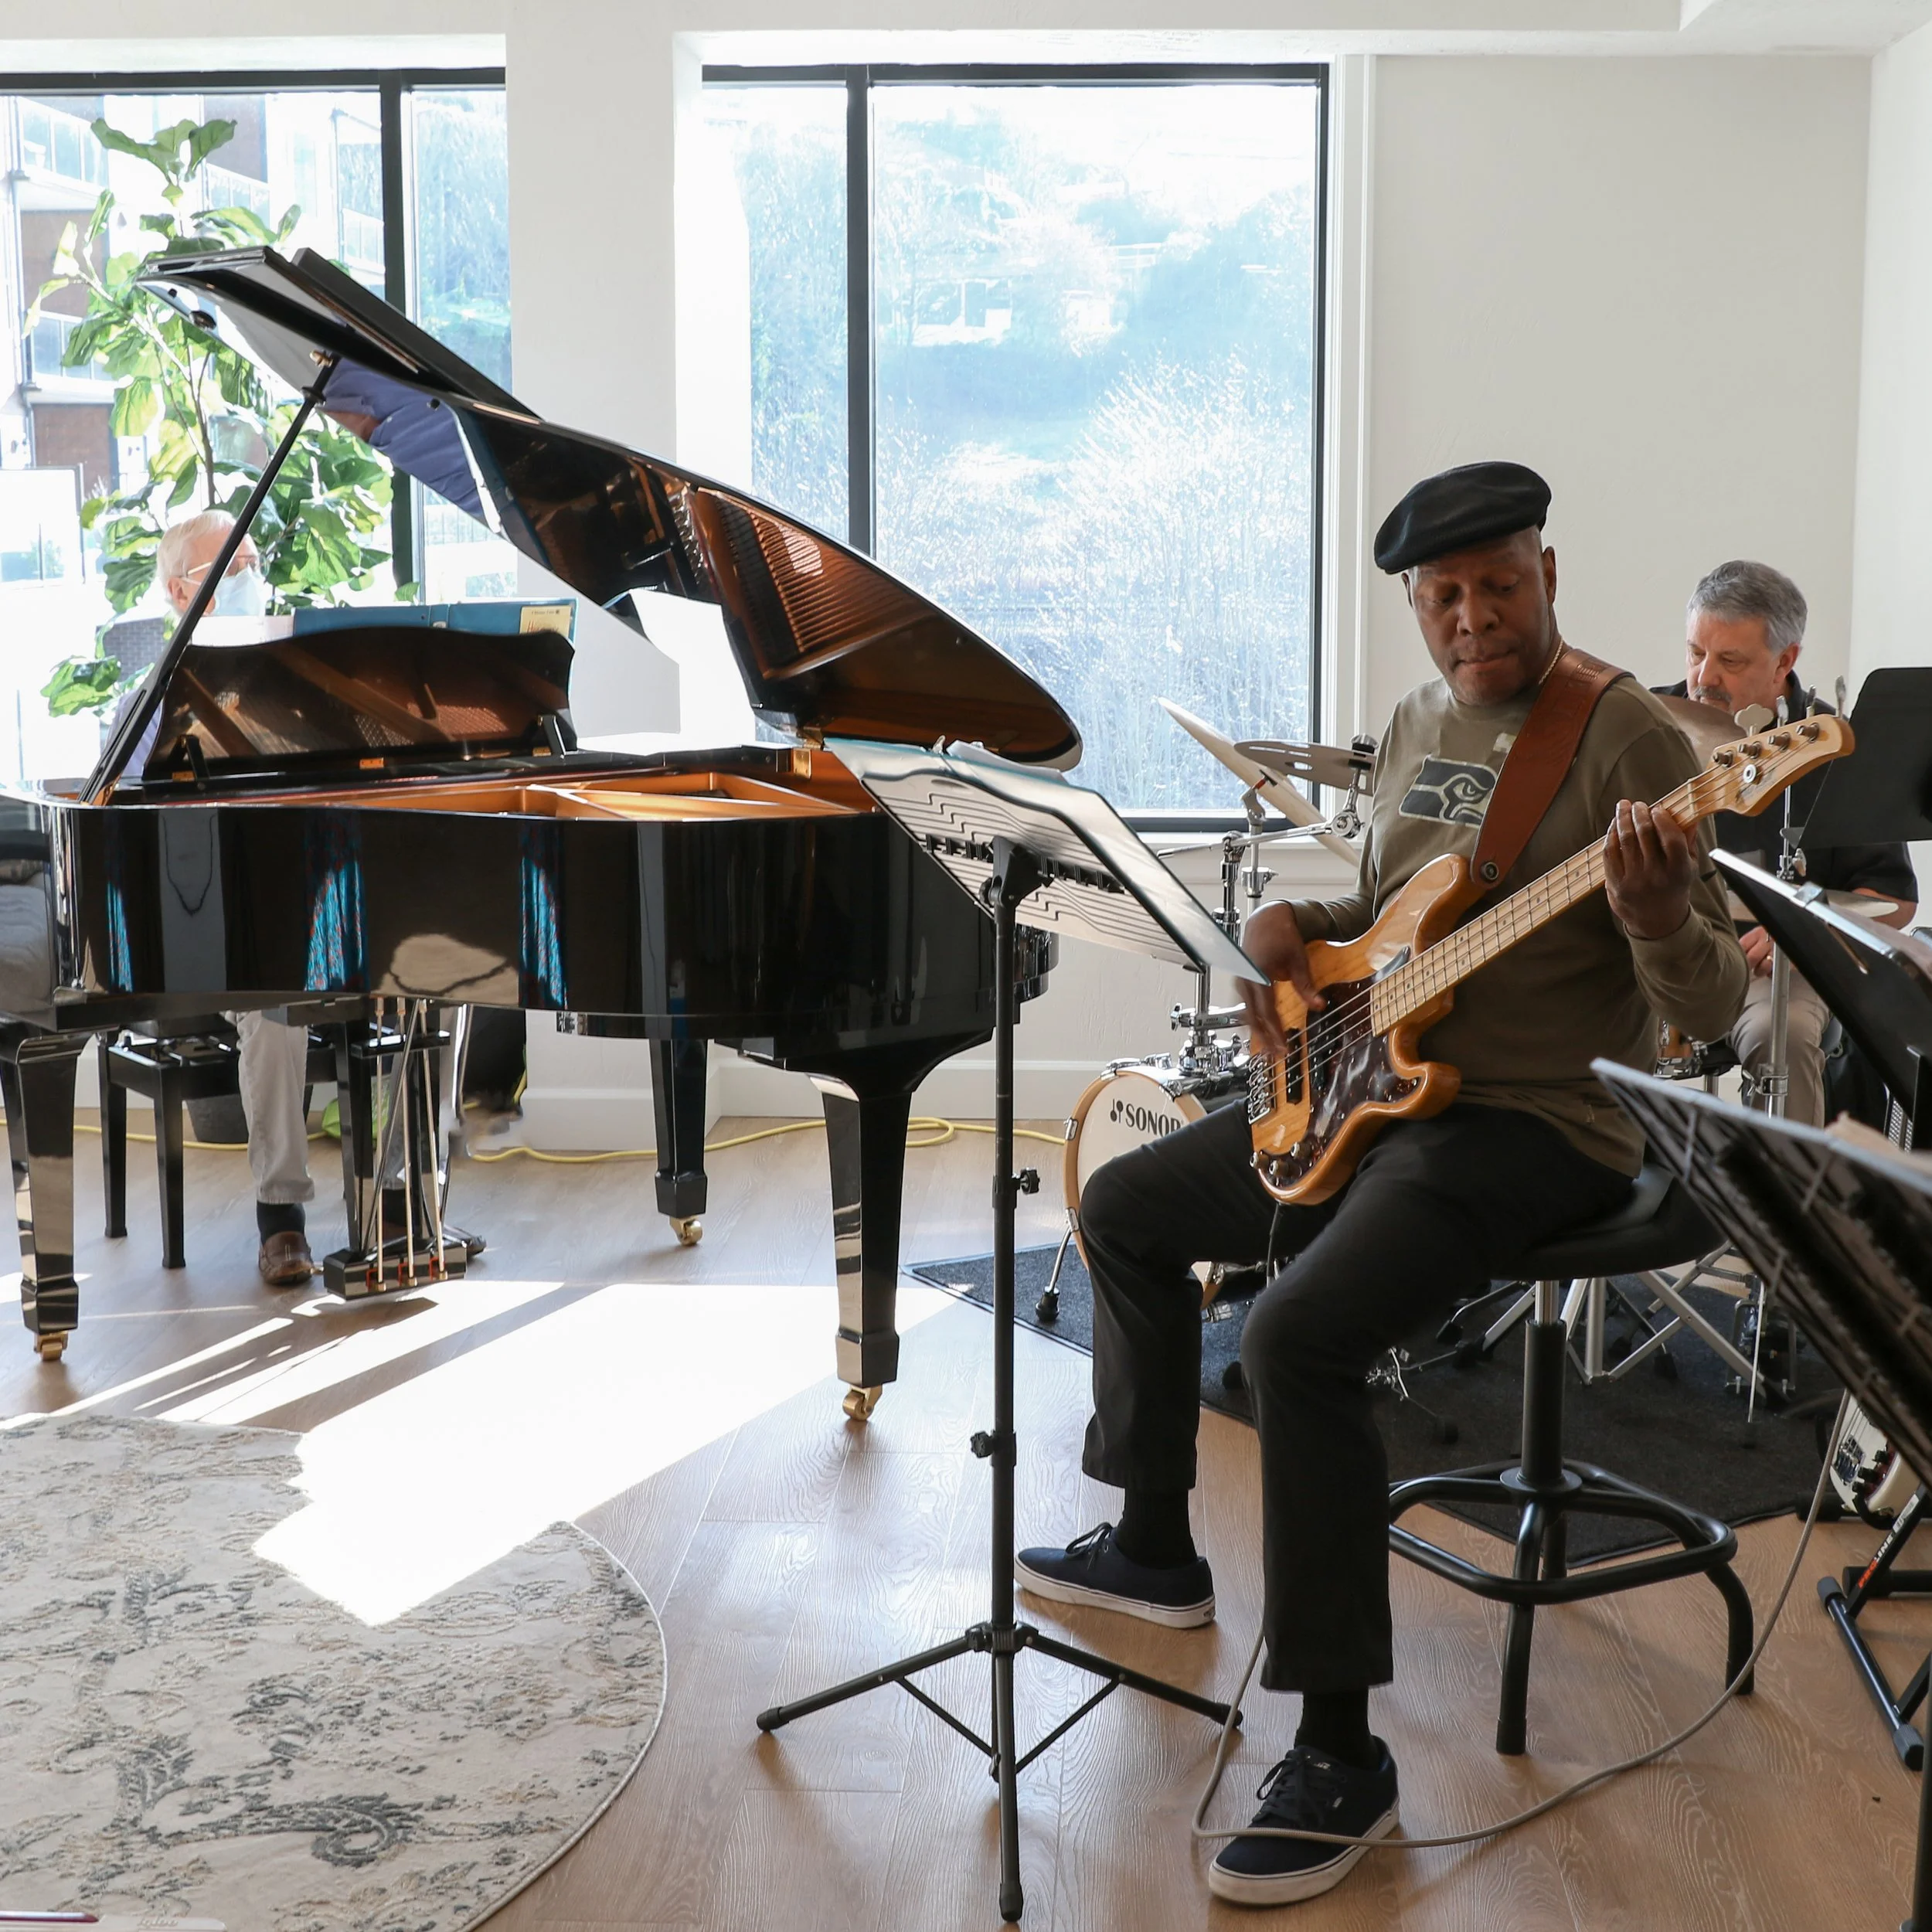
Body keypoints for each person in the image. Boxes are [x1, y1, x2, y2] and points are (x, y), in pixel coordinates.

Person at [1013, 463, 1749, 1909]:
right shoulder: (1416, 721)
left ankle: (1342, 1753)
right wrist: (1295, 929)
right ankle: (1154, 1544)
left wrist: (1660, 916)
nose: (1475, 616)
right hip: (1372, 1087)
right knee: (1124, 1208)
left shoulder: (1632, 738)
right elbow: (1387, 905)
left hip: (1535, 1123)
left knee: (1297, 1334)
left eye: (1501, 584)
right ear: (1417, 606)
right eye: (1445, 596)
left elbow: (1713, 1002)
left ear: (1548, 573)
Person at [1656, 560, 1917, 1126]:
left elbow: (1893, 900)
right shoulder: (1646, 727)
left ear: (1785, 660)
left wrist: (1803, 935)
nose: (1704, 677)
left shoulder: (1835, 747)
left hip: (1774, 975)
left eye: (1730, 661)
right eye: (1696, 653)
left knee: (1786, 1036)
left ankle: (1785, 1180)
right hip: (1658, 959)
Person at [155, 511, 315, 1287]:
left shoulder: (298, 682)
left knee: (429, 985)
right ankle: (281, 1219)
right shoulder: (157, 694)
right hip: (209, 932)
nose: (251, 575)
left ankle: (406, 1199)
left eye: (252, 560)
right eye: (232, 565)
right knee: (275, 1011)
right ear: (184, 592)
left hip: (309, 913)